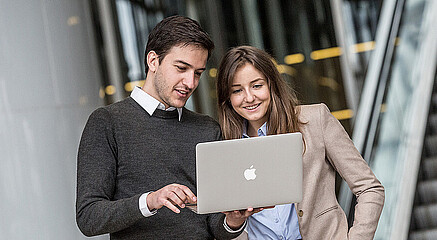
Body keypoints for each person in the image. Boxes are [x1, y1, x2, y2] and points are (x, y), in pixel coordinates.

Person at [76, 16, 256, 240]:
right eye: (181, 68)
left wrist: (234, 220)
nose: (190, 83)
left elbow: (215, 225)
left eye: (198, 73)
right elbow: (88, 218)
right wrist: (150, 201)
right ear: (153, 61)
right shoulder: (107, 122)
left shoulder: (208, 129)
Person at [216, 46, 385, 240]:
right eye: (237, 90)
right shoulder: (224, 145)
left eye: (257, 86)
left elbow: (369, 188)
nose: (249, 98)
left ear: (272, 85)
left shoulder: (315, 120)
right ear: (227, 98)